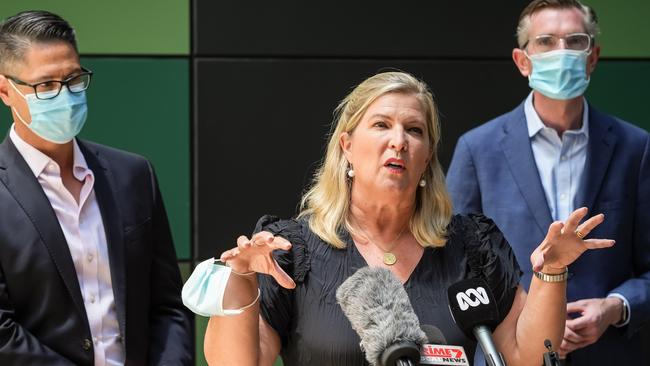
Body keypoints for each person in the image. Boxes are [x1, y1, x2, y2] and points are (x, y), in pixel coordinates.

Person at [193, 71, 613, 366]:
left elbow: (528, 357)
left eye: (414, 130)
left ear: (427, 157)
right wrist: (243, 280)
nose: (399, 141)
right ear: (347, 148)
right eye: (381, 125)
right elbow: (238, 362)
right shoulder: (290, 250)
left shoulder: (472, 246)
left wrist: (552, 271)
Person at [446, 1, 650, 364]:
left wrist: (615, 307)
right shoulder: (478, 149)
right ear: (522, 60)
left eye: (575, 41)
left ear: (593, 56)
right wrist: (525, 318)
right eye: (546, 41)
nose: (562, 52)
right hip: (509, 355)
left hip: (608, 354)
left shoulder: (635, 147)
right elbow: (451, 267)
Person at [0, 10, 192, 365]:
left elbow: (167, 304)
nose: (65, 95)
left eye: (73, 79)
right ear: (5, 90)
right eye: (46, 85)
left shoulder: (132, 175)